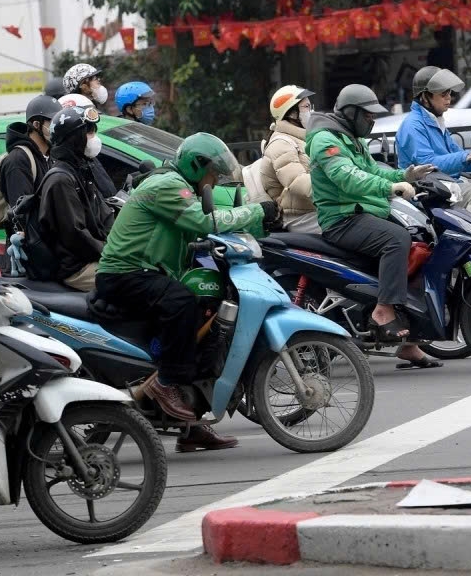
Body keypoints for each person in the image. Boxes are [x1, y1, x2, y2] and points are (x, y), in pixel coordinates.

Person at [96, 133, 279, 451]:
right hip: (124, 274)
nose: (214, 180)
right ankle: (166, 383)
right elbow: (203, 220)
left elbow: (191, 230)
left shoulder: (177, 184)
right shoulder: (167, 185)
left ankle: (191, 425)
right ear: (196, 166)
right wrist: (259, 212)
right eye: (212, 173)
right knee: (181, 302)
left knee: (204, 313)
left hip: (146, 271)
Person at [307, 85, 440, 369]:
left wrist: (406, 174)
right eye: (368, 115)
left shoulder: (350, 138)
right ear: (351, 112)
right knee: (396, 239)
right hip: (341, 219)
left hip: (362, 212)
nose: (372, 121)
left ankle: (410, 342)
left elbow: (372, 169)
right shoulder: (325, 140)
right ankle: (382, 310)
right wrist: (391, 187)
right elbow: (349, 178)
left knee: (418, 239)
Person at [396, 66, 471, 222]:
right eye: (443, 94)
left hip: (446, 186)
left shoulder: (435, 120)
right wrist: (466, 156)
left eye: (449, 93)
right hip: (426, 192)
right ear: (424, 97)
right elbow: (427, 165)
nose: (449, 98)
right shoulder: (413, 125)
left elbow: (458, 155)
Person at [40, 106, 115, 292]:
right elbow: (75, 234)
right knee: (140, 281)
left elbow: (103, 216)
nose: (94, 137)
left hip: (93, 257)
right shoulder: (61, 180)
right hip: (78, 267)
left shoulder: (80, 170)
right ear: (74, 138)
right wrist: (111, 253)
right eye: (89, 132)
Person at [258, 85, 320, 233]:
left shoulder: (301, 139)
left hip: (312, 210)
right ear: (292, 113)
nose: (311, 112)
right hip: (297, 216)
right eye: (306, 107)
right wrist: (336, 190)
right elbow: (297, 182)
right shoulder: (281, 143)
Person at [0, 94, 61, 232]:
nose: (57, 127)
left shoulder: (51, 155)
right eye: (52, 122)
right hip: (32, 249)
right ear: (36, 125)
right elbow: (23, 215)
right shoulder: (18, 160)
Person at [56, 93, 117, 198]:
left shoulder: (88, 161)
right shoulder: (63, 175)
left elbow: (108, 193)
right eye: (88, 130)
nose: (94, 137)